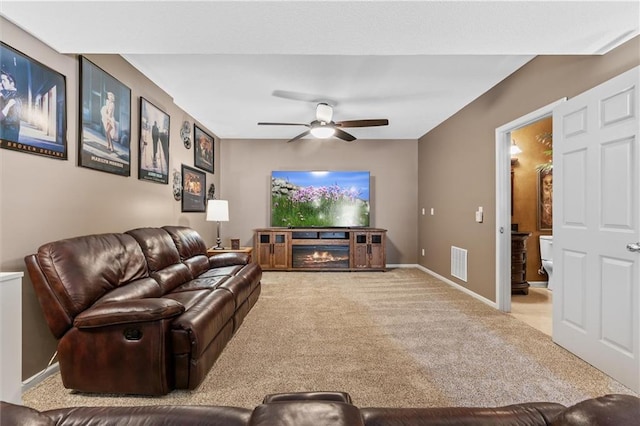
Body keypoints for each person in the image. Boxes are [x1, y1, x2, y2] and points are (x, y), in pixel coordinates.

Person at [0, 70, 22, 141]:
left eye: (4, 80)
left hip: (9, 132)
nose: (2, 83)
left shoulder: (16, 97)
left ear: (12, 83)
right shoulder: (9, 95)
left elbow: (14, 118)